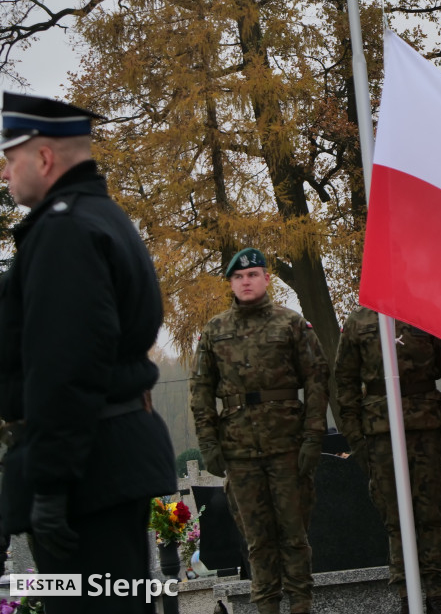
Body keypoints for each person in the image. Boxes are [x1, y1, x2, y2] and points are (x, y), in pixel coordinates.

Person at [0, 91, 177, 613]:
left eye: (10, 160)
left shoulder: (65, 232)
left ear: (45, 158)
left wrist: (50, 485)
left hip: (83, 476)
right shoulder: (100, 217)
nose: (6, 175)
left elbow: (64, 368)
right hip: (103, 462)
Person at [190, 248, 328, 614]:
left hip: (288, 446)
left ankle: (301, 607)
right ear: (231, 283)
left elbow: (317, 381)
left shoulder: (291, 324)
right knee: (257, 542)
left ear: (266, 278)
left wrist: (314, 436)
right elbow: (201, 391)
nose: (246, 281)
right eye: (238, 277)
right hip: (239, 451)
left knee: (294, 538)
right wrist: (209, 444)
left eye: (252, 274)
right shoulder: (215, 331)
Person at [335, 307, 441, 614]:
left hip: (427, 431)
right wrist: (357, 438)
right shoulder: (360, 321)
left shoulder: (430, 314)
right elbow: (344, 382)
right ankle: (407, 598)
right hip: (380, 434)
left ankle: (436, 597)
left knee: (430, 515)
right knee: (394, 519)